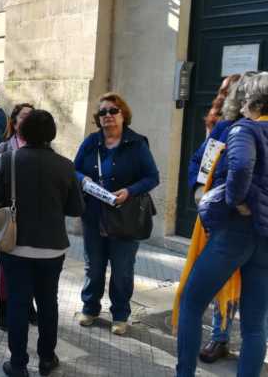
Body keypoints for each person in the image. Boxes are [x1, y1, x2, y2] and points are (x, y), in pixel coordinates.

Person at [176, 72, 268, 377]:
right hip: (264, 237)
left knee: (191, 302)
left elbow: (240, 166)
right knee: (255, 325)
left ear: (252, 101)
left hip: (236, 232)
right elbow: (202, 164)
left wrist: (235, 199)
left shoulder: (244, 128)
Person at [0, 110, 84, 377]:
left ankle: (18, 365)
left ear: (22, 131)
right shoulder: (66, 165)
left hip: (16, 246)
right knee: (48, 304)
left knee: (17, 304)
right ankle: (47, 359)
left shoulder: (9, 160)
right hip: (52, 249)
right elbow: (76, 208)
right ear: (52, 133)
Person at [74, 92, 160, 335]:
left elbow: (152, 177)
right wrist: (83, 179)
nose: (108, 115)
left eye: (113, 111)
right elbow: (73, 170)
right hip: (93, 215)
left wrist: (129, 191)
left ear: (123, 115)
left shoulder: (137, 144)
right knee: (94, 267)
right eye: (103, 112)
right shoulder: (91, 142)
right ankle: (90, 308)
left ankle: (120, 315)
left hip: (126, 217)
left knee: (122, 270)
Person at [0, 103, 36, 332]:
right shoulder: (4, 148)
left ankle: (28, 305)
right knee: (7, 267)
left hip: (34, 219)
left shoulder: (43, 148)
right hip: (9, 217)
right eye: (24, 116)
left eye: (32, 116)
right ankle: (3, 308)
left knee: (32, 265)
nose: (28, 120)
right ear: (14, 122)